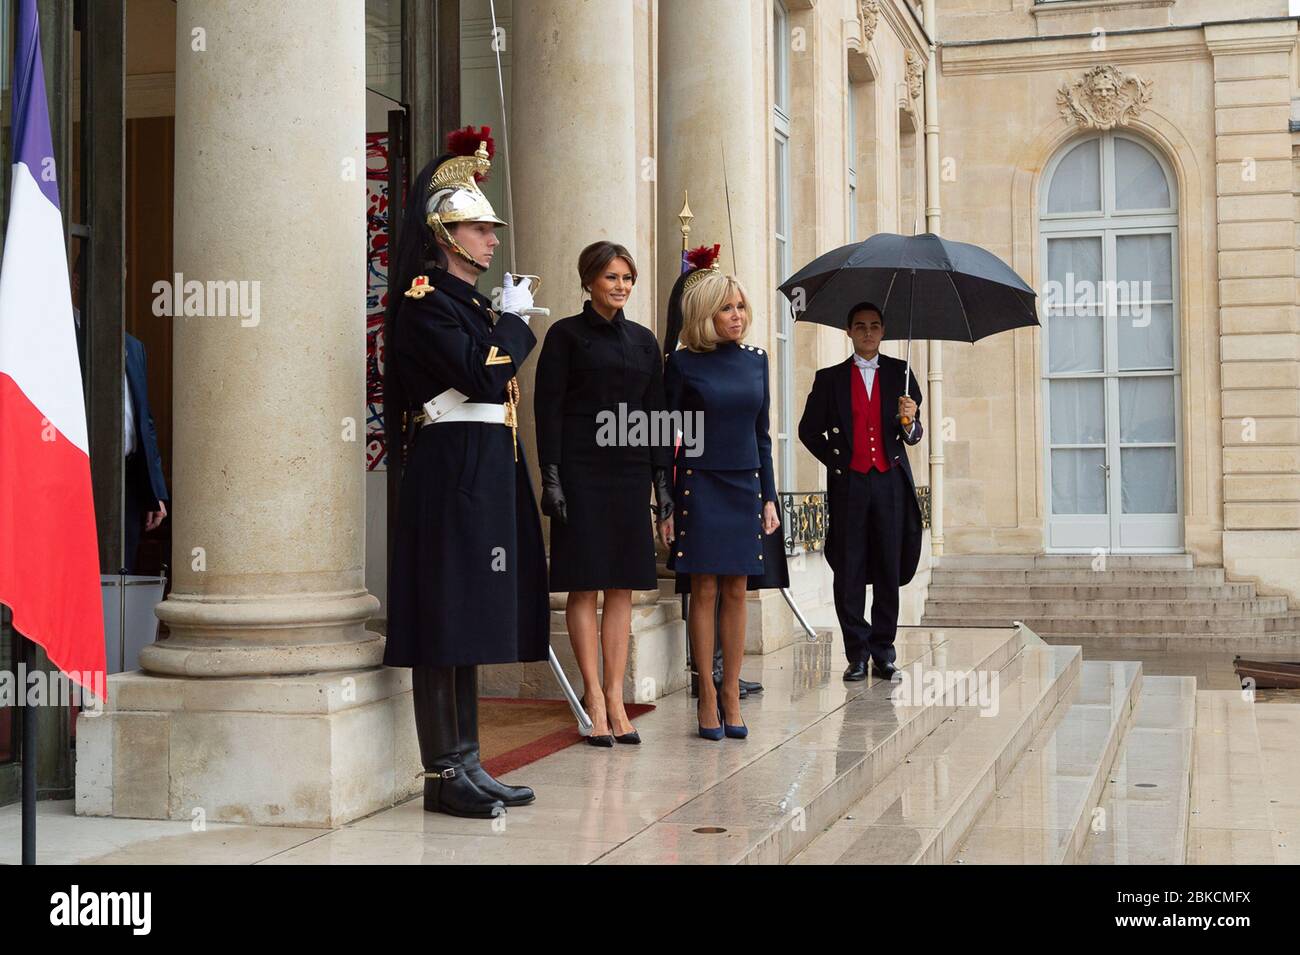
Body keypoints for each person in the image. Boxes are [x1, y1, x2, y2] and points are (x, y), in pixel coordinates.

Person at [383, 126, 549, 818]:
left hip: (483, 469)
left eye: (489, 228)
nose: (492, 240)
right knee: (443, 618)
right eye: (479, 229)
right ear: (445, 234)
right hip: (448, 469)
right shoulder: (424, 303)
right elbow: (484, 380)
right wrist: (513, 328)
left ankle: (472, 760)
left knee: (473, 617)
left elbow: (495, 377)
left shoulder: (471, 307)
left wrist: (500, 326)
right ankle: (443, 772)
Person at [533, 241, 672, 746]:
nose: (621, 286)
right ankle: (591, 695)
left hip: (630, 470)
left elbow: (657, 415)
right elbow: (546, 409)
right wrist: (551, 477)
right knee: (585, 585)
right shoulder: (564, 336)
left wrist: (663, 487)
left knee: (622, 586)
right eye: (612, 277)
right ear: (589, 280)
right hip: (581, 471)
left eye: (628, 278)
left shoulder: (643, 340)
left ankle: (617, 695)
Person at [663, 261, 780, 740]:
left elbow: (763, 435)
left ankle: (731, 691)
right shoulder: (682, 364)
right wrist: (666, 502)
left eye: (740, 307)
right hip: (700, 484)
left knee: (738, 590)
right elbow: (664, 436)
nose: (737, 315)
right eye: (726, 308)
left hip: (745, 484)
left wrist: (769, 496)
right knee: (705, 589)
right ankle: (707, 695)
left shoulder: (757, 361)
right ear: (704, 314)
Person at [797, 302, 924, 682]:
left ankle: (883, 651)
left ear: (883, 331)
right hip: (850, 482)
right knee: (849, 567)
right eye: (860, 326)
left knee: (888, 564)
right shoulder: (829, 378)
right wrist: (838, 463)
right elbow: (807, 431)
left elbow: (914, 437)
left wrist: (910, 419)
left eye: (874, 326)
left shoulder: (901, 375)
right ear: (849, 332)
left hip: (889, 481)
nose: (868, 333)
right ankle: (856, 652)